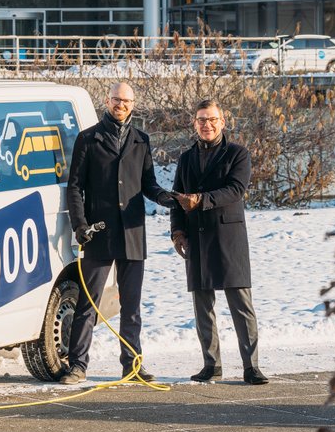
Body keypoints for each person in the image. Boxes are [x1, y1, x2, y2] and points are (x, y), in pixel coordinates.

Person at [61, 82, 177, 385]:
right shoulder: (88, 139)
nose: (121, 105)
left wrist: (171, 199)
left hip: (132, 233)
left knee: (132, 306)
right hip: (98, 234)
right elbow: (75, 187)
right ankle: (78, 365)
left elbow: (148, 184)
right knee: (89, 304)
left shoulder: (141, 140)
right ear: (107, 100)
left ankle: (132, 364)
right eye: (116, 100)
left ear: (133, 104)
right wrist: (79, 224)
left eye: (126, 101)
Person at [170, 99, 268, 385]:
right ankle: (211, 365)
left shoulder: (238, 154)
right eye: (201, 119)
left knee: (241, 304)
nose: (207, 124)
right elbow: (177, 198)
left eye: (212, 119)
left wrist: (201, 200)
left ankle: (252, 366)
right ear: (195, 123)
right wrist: (177, 232)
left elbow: (235, 190)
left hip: (228, 237)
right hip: (196, 237)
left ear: (223, 122)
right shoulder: (186, 158)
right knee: (202, 305)